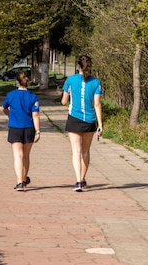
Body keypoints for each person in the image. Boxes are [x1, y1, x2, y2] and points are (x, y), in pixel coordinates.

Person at [61, 55, 103, 192]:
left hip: (74, 118)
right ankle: (83, 178)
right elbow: (97, 104)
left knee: (76, 151)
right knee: (85, 151)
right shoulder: (96, 82)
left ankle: (78, 180)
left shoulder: (70, 80)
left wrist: (67, 94)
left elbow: (63, 101)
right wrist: (100, 124)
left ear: (77, 66)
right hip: (90, 120)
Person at [2, 70, 41, 191]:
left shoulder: (10, 95)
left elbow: (4, 108)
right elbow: (35, 115)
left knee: (17, 155)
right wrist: (38, 131)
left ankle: (19, 182)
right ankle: (24, 179)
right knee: (26, 156)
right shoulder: (33, 97)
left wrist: (10, 115)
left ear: (17, 82)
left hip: (15, 128)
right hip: (29, 128)